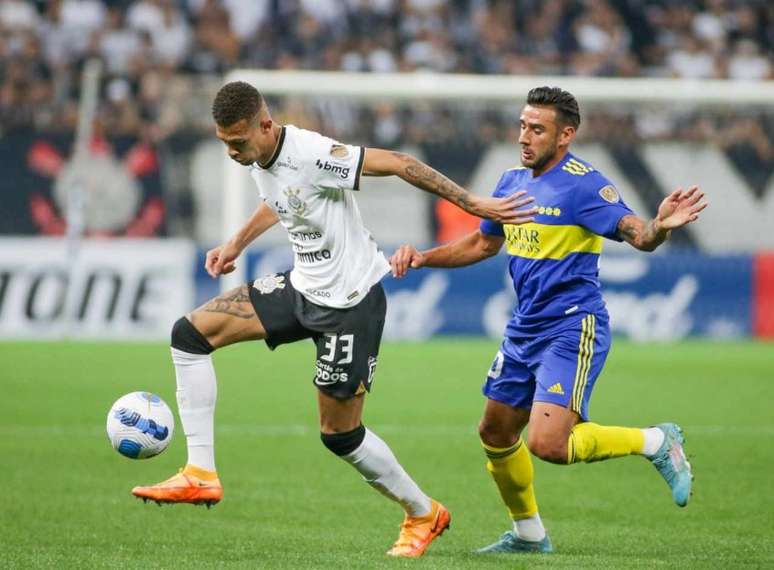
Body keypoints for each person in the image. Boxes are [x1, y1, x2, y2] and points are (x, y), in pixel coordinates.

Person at [131, 81, 536, 558]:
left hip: (351, 304)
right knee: (189, 335)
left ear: (266, 125)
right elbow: (283, 199)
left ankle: (423, 512)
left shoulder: (314, 152)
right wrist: (237, 243)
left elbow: (402, 164)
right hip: (303, 287)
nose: (232, 153)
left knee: (340, 435)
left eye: (238, 142)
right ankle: (200, 473)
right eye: (224, 144)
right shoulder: (261, 156)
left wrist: (473, 204)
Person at [389, 86, 707, 554]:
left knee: (549, 444)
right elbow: (482, 245)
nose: (524, 136)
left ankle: (657, 441)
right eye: (522, 125)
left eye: (537, 128)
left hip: (571, 325)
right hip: (524, 327)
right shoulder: (510, 181)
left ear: (565, 135)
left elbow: (638, 234)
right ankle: (528, 535)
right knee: (494, 432)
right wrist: (423, 258)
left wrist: (659, 226)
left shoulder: (584, 185)